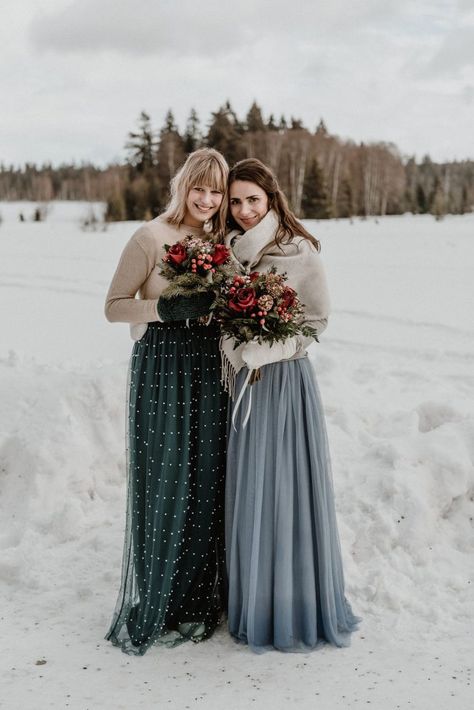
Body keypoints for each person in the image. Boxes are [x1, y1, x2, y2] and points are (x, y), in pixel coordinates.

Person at [222, 158, 359, 652]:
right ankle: (253, 600)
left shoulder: (298, 251)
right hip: (243, 383)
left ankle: (293, 604)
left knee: (283, 490)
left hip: (283, 382)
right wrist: (232, 344)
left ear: (272, 199)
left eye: (252, 200)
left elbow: (316, 320)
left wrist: (266, 348)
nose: (243, 210)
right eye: (235, 201)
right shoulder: (230, 252)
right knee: (250, 488)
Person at [104, 148, 229, 655]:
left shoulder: (221, 240)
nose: (206, 199)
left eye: (215, 191)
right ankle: (162, 598)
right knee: (166, 476)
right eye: (198, 188)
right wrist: (168, 307)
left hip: (208, 368)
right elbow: (113, 308)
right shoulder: (149, 237)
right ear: (181, 185)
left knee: (206, 478)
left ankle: (197, 603)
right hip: (162, 369)